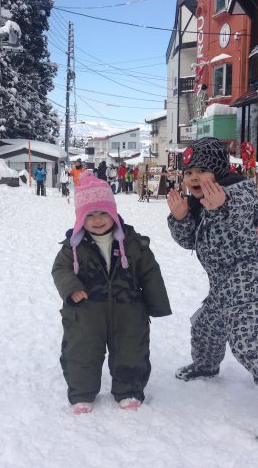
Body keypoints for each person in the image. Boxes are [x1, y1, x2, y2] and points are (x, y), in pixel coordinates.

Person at [166, 137, 258, 443]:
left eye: (201, 170)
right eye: (188, 172)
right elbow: (188, 242)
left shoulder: (238, 190)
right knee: (206, 325)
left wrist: (224, 205)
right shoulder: (197, 204)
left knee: (251, 342)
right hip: (222, 283)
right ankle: (206, 365)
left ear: (219, 171)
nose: (193, 177)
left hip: (247, 278)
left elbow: (247, 212)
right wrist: (180, 218)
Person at [52, 173, 172, 415]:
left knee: (131, 349)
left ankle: (128, 389)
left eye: (103, 213)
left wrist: (155, 303)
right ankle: (82, 393)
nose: (97, 220)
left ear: (113, 212)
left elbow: (149, 271)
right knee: (81, 350)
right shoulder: (73, 246)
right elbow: (60, 269)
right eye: (90, 215)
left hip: (128, 308)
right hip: (86, 311)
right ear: (80, 218)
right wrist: (72, 288)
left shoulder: (132, 242)